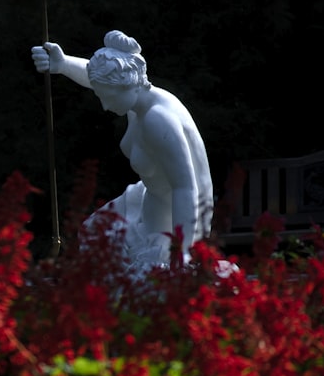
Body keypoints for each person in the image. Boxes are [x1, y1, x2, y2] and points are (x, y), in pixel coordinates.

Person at [31, 30, 214, 270]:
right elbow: (95, 76)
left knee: (115, 261)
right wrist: (63, 64)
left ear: (129, 85)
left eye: (107, 97)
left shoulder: (158, 120)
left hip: (178, 219)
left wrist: (182, 253)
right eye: (100, 95)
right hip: (149, 199)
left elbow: (186, 187)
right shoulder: (136, 97)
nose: (105, 106)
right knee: (93, 233)